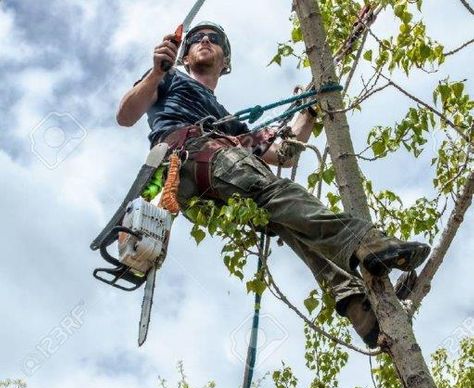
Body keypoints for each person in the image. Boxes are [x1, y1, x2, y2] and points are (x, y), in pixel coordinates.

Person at [116, 22, 430, 348]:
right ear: (184, 55)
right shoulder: (168, 78)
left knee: (286, 218)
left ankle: (360, 310)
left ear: (226, 62)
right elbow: (126, 115)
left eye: (214, 39)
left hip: (217, 172)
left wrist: (307, 113)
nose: (204, 41)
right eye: (196, 39)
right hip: (188, 155)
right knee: (275, 193)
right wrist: (155, 71)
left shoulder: (229, 122)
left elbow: (282, 153)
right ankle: (366, 242)